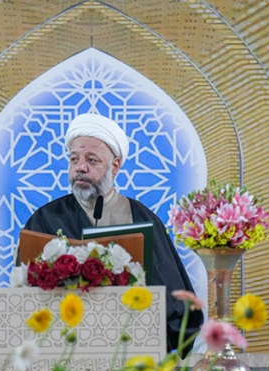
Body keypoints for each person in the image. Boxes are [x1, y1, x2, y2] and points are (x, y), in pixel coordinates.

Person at [22, 113, 203, 354]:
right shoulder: (45, 218)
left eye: (91, 159)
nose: (80, 167)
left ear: (115, 166)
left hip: (133, 352)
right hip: (62, 351)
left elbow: (176, 303)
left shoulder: (142, 218)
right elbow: (25, 295)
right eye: (74, 159)